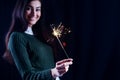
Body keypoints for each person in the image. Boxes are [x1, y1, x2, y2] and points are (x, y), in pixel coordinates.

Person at [3, 0, 73, 80]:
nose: (34, 14)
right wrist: (54, 72)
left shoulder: (42, 35)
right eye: (28, 8)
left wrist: (58, 69)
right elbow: (28, 77)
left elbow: (47, 68)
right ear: (21, 9)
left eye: (37, 9)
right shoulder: (17, 37)